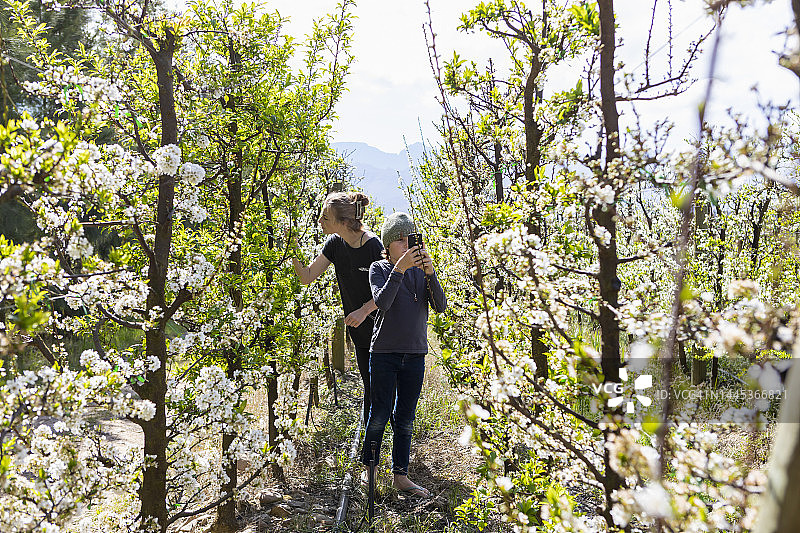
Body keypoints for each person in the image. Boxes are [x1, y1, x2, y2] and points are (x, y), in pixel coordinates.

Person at [361, 212, 446, 498]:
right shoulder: (380, 268)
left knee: (406, 417)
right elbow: (382, 302)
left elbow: (441, 306)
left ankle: (401, 475)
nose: (406, 244)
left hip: (415, 355)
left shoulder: (422, 271)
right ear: (388, 244)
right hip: (384, 353)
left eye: (409, 238)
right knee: (380, 413)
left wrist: (430, 274)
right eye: (399, 239)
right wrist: (399, 269)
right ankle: (369, 470)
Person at [292, 192, 384, 424]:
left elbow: (391, 290)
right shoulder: (334, 244)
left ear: (343, 222)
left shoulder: (374, 246)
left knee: (380, 391)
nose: (320, 222)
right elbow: (306, 276)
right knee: (370, 388)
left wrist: (364, 310)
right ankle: (371, 450)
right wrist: (292, 249)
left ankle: (381, 449)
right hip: (359, 331)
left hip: (383, 330)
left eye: (325, 218)